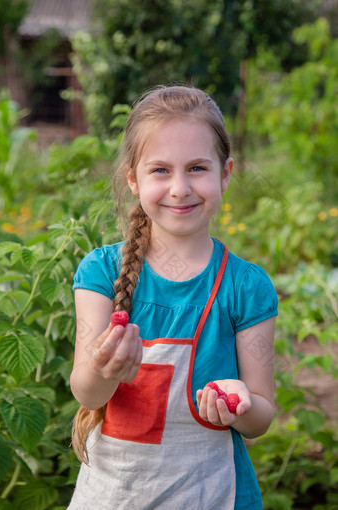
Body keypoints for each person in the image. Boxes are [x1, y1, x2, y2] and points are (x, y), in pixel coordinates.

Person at [68, 85, 278, 510]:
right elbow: (86, 393)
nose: (180, 188)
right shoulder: (101, 273)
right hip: (115, 493)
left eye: (197, 168)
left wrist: (239, 403)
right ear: (133, 179)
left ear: (225, 172)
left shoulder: (246, 286)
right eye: (160, 170)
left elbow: (261, 418)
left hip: (214, 494)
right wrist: (107, 370)